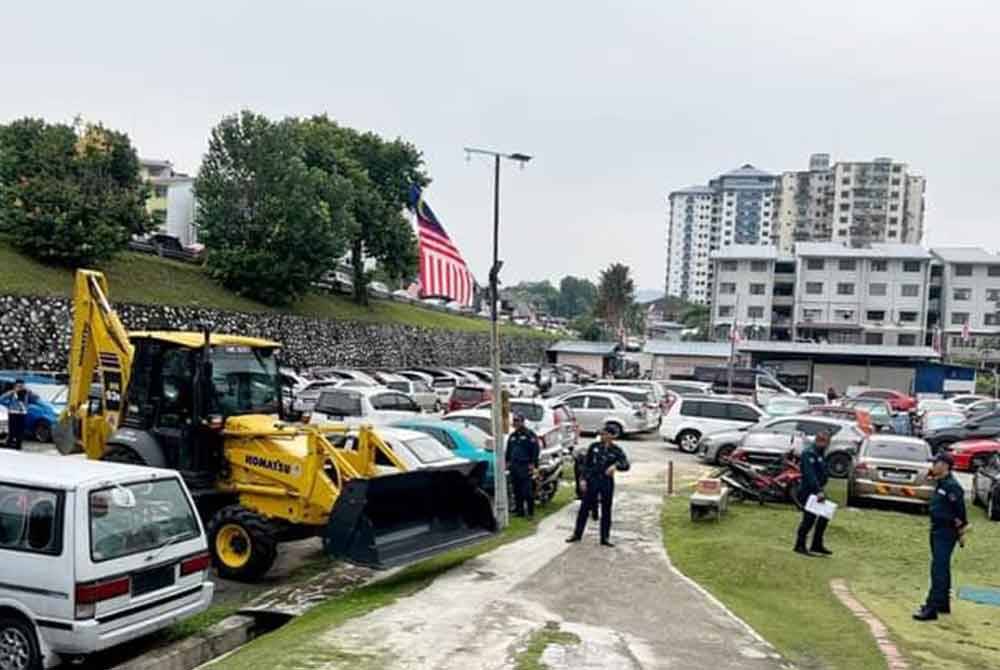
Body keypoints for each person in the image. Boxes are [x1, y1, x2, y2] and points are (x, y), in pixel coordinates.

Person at [914, 452, 968, 621]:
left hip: (946, 532)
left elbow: (961, 513)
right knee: (941, 567)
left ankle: (932, 607)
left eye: (936, 463)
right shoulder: (942, 483)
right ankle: (943, 602)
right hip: (937, 529)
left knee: (938, 569)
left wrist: (961, 531)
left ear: (944, 465)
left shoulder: (953, 487)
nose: (933, 466)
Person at [566, 422, 630, 547]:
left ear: (612, 436)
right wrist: (582, 480)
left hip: (606, 482)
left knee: (606, 510)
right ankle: (577, 534)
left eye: (605, 434)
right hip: (592, 481)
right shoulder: (594, 447)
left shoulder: (616, 450)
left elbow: (626, 464)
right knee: (584, 508)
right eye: (602, 434)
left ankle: (605, 538)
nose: (602, 436)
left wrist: (615, 466)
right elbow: (585, 465)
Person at [794, 431, 833, 556]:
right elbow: (810, 475)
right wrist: (818, 491)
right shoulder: (809, 453)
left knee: (825, 516)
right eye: (825, 442)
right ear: (819, 440)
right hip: (809, 490)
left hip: (818, 489)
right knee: (809, 518)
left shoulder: (819, 453)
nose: (827, 445)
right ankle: (800, 545)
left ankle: (816, 544)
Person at [506, 413, 540, 518]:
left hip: (525, 466)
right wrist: (507, 462)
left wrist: (533, 464)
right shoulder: (512, 436)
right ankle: (519, 511)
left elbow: (535, 450)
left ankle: (530, 512)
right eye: (514, 421)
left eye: (517, 421)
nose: (515, 423)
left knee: (527, 491)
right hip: (514, 466)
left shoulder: (530, 435)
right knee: (517, 491)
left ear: (522, 422)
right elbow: (508, 451)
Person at [0, 379, 39, 450]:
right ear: (15, 386)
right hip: (13, 412)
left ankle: (18, 443)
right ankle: (10, 442)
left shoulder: (27, 393)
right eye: (18, 386)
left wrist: (30, 392)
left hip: (22, 413)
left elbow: (36, 398)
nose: (20, 387)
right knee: (12, 429)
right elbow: (2, 399)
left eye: (22, 386)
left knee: (20, 430)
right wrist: (8, 404)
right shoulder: (12, 393)